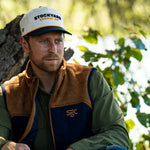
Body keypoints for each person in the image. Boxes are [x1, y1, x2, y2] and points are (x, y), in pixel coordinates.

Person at [0, 6, 130, 150]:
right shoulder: (8, 93)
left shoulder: (90, 80)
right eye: (44, 41)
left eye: (58, 41)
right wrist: (7, 145)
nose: (53, 49)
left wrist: (77, 149)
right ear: (25, 44)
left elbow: (118, 134)